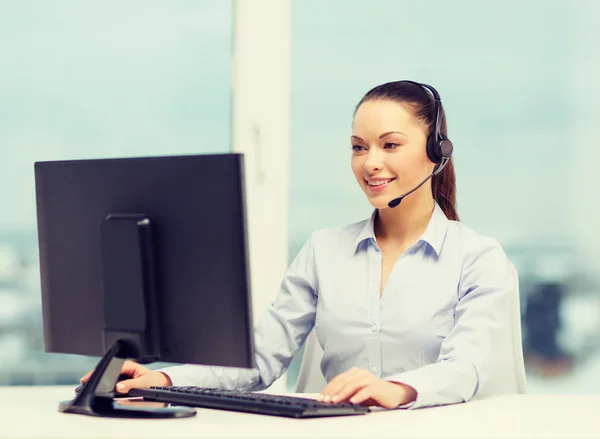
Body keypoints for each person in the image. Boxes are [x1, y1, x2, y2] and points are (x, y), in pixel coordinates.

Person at [81, 80, 518, 409]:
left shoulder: (478, 259)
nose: (371, 163)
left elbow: (469, 368)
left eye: (390, 145)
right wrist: (165, 381)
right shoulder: (324, 250)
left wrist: (397, 389)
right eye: (358, 147)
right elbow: (260, 358)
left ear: (436, 151)